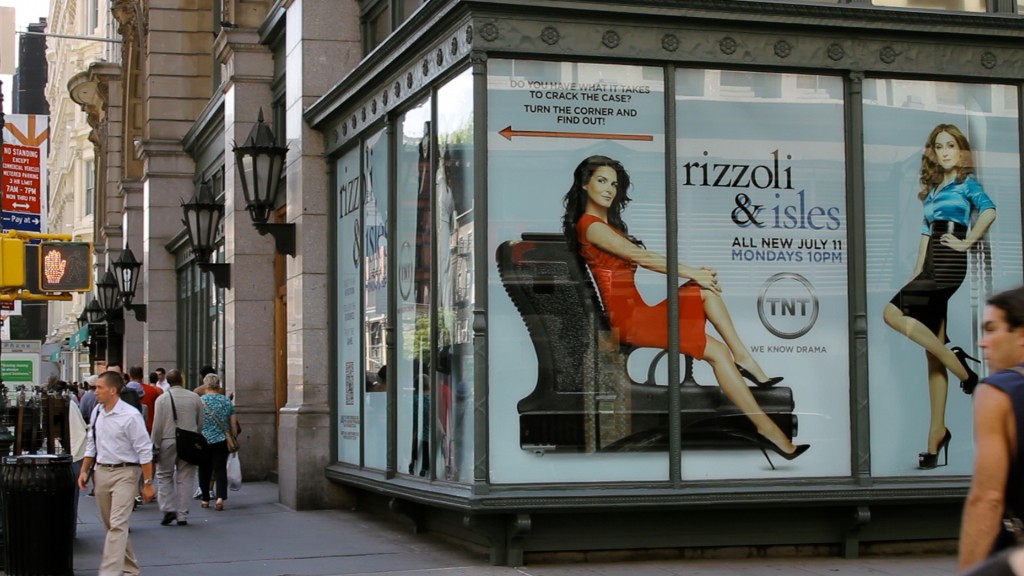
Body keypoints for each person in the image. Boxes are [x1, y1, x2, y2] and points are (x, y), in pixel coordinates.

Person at [561, 155, 807, 464]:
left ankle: (763, 417)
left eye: (614, 183)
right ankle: (761, 409)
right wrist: (694, 272)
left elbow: (639, 258)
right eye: (601, 181)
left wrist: (696, 275)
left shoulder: (606, 227)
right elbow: (643, 257)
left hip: (637, 312)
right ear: (585, 184)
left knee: (712, 326)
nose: (610, 189)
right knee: (706, 304)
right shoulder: (591, 226)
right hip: (630, 320)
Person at [882, 124, 997, 470]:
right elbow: (924, 235)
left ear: (961, 151)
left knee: (891, 314)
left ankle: (963, 369)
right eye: (939, 146)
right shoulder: (933, 191)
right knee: (931, 355)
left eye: (951, 146)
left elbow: (989, 210)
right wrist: (916, 274)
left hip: (949, 262)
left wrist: (967, 242)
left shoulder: (966, 184)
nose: (945, 152)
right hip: (932, 262)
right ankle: (936, 434)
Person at [958, 286, 1024, 571]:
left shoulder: (999, 392)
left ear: (1021, 334)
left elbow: (987, 499)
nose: (983, 342)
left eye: (991, 329)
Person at [77, 371, 155, 576]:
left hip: (126, 472)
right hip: (101, 472)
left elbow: (144, 450)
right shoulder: (97, 412)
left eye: (99, 388)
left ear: (113, 390)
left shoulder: (130, 416)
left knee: (118, 524)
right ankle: (131, 569)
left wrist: (148, 482)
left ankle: (109, 572)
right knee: (111, 526)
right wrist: (84, 470)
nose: (95, 392)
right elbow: (91, 444)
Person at [150, 368, 203, 526]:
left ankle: (168, 508)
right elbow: (201, 422)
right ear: (182, 380)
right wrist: (195, 436)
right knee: (186, 478)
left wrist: (155, 446)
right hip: (189, 440)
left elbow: (157, 425)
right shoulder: (194, 397)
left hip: (167, 440)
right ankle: (182, 515)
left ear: (168, 381)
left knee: (164, 475)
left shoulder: (162, 399)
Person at [198, 373, 238, 510]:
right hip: (221, 440)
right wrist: (233, 437)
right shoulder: (226, 401)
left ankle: (205, 499)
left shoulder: (200, 401)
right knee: (220, 469)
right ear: (218, 385)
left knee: (204, 469)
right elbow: (233, 423)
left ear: (205, 385)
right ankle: (220, 498)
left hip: (203, 440)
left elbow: (196, 422)